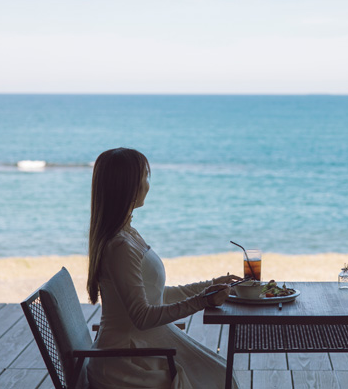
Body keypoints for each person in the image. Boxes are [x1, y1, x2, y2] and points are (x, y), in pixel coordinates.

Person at [86, 147, 240, 389]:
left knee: (220, 373)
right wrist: (203, 301)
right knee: (220, 377)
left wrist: (209, 286)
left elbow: (157, 295)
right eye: (145, 176)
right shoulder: (120, 246)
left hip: (140, 346)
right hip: (126, 361)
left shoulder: (128, 234)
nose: (148, 184)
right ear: (130, 186)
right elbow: (142, 317)